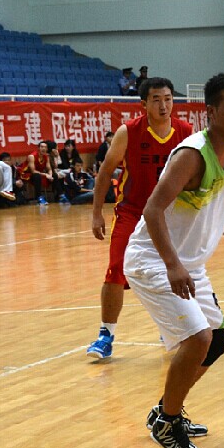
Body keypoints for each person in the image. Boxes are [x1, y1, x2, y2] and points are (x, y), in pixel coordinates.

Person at [123, 72, 224, 448]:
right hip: (153, 259)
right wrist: (172, 265)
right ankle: (168, 423)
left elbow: (221, 205)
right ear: (211, 112)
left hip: (189, 265)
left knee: (216, 340)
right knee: (198, 338)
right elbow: (152, 209)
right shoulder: (192, 155)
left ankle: (167, 408)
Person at [87, 77, 194, 360]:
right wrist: (96, 213)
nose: (163, 105)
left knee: (174, 270)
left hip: (170, 215)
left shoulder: (185, 132)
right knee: (115, 270)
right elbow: (105, 172)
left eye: (168, 99)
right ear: (144, 104)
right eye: (156, 100)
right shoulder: (129, 132)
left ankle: (170, 327)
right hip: (132, 212)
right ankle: (106, 335)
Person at [26, 140, 59, 204]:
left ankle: (59, 196)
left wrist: (50, 175)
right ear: (38, 148)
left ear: (47, 149)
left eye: (45, 147)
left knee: (54, 175)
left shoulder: (46, 156)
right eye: (41, 147)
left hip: (40, 174)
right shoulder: (32, 156)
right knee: (37, 176)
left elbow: (49, 169)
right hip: (28, 174)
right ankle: (39, 197)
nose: (43, 148)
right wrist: (46, 175)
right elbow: (33, 171)